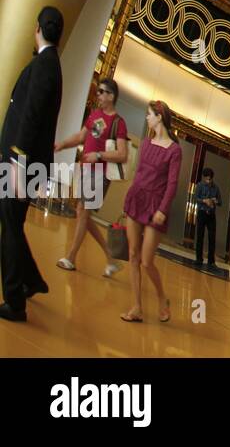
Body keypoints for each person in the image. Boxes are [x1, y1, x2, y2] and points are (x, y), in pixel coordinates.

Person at [0, 7, 63, 322]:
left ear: (37, 28)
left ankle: (14, 301)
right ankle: (32, 280)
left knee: (9, 226)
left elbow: (31, 116)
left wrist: (15, 157)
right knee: (11, 221)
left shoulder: (45, 65)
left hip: (21, 161)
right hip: (25, 161)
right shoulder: (50, 64)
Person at [53, 78, 129, 277]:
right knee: (82, 214)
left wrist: (99, 155)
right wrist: (61, 144)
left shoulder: (119, 123)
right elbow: (80, 137)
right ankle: (111, 259)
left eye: (102, 92)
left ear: (111, 96)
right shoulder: (95, 115)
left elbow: (122, 154)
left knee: (83, 213)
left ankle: (70, 257)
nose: (98, 95)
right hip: (86, 170)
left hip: (100, 173)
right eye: (98, 92)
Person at [120, 101, 182, 323]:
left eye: (149, 114)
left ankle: (162, 297)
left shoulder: (174, 150)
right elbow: (138, 173)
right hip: (137, 199)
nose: (146, 118)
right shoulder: (146, 143)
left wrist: (163, 209)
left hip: (156, 206)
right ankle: (137, 307)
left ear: (159, 117)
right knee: (133, 255)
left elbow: (172, 184)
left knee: (147, 261)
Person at [192, 166, 221, 267]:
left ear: (212, 178)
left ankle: (211, 261)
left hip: (211, 215)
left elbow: (220, 202)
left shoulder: (216, 188)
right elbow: (195, 198)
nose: (208, 181)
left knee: (212, 238)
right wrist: (204, 200)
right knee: (200, 236)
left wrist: (215, 201)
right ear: (204, 177)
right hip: (202, 213)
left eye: (209, 179)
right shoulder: (200, 185)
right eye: (206, 179)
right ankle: (199, 259)